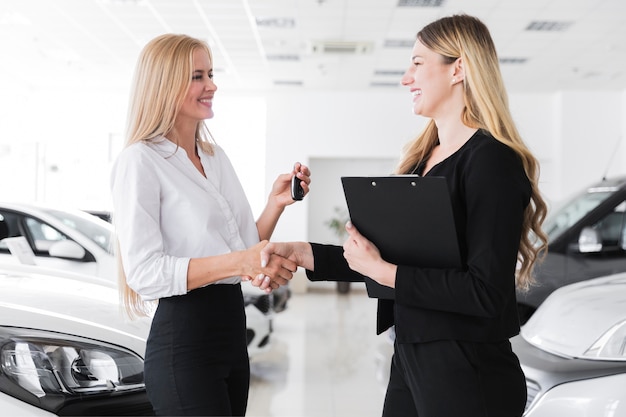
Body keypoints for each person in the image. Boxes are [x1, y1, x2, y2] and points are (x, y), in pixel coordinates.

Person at [255, 14, 548, 417]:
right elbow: (392, 262)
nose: (405, 78)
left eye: (417, 63)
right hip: (411, 357)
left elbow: (486, 292)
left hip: (469, 371)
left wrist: (383, 271)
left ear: (458, 68)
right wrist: (304, 253)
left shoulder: (491, 161)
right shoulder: (422, 161)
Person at [110, 33, 310, 416]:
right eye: (198, 76)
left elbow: (245, 246)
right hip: (184, 343)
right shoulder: (141, 161)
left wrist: (276, 203)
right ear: (165, 84)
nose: (212, 85)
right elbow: (145, 272)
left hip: (232, 336)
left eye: (211, 74)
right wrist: (241, 263)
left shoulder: (215, 157)